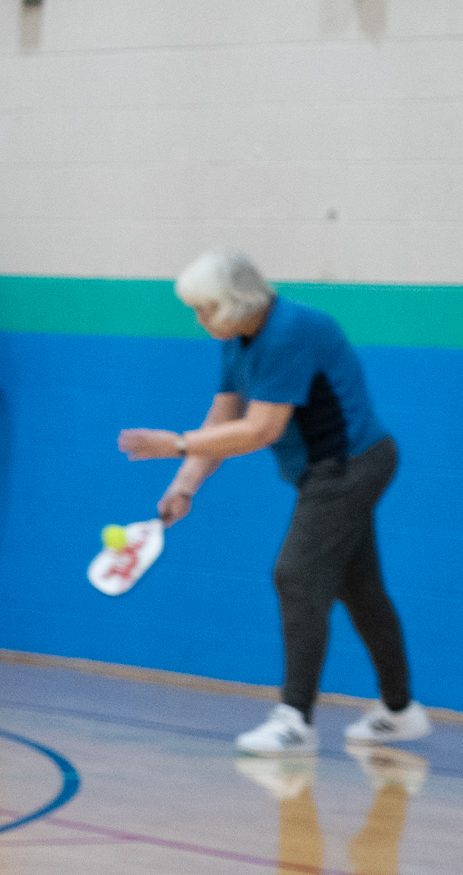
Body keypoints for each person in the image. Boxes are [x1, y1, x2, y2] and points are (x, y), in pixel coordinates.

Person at [117, 248, 426, 757]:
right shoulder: (237, 339)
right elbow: (221, 420)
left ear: (238, 302)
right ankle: (400, 712)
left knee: (297, 576)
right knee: (360, 588)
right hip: (329, 471)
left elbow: (262, 429)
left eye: (205, 309)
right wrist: (185, 483)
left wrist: (175, 443)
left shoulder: (290, 332)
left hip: (349, 466)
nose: (199, 320)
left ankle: (294, 721)